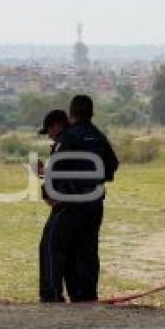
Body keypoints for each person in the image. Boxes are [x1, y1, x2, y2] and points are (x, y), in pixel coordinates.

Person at [46, 95, 119, 302]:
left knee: (56, 245)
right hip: (95, 202)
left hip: (72, 201)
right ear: (91, 112)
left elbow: (55, 168)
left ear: (72, 114)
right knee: (88, 250)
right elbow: (112, 164)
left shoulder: (69, 137)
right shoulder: (98, 136)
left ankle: (53, 295)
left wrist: (50, 193)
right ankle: (87, 295)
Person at [37, 109, 78, 303]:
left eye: (50, 130)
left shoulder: (64, 144)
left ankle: (51, 295)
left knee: (51, 248)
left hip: (66, 205)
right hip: (70, 203)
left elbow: (61, 175)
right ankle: (75, 294)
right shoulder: (69, 142)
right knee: (67, 251)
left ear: (58, 125)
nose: (50, 135)